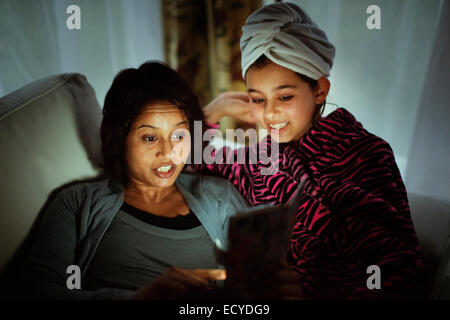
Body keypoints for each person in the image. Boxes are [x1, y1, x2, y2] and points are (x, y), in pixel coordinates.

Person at [193, 2, 429, 299]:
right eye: (258, 99)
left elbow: (397, 272)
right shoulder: (260, 157)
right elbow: (193, 156)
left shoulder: (367, 154)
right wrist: (217, 107)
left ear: (319, 90)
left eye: (285, 96)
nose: (270, 113)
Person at [11, 61, 301, 300]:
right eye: (150, 137)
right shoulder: (77, 203)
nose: (168, 152)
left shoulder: (218, 195)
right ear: (120, 139)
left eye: (179, 135)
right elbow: (34, 292)